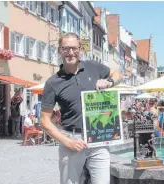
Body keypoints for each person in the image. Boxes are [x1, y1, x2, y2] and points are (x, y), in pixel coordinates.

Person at [40, 33, 122, 184]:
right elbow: (44, 121)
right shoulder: (53, 83)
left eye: (74, 48)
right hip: (72, 139)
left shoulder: (93, 67)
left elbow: (117, 73)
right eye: (66, 48)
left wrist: (109, 82)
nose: (70, 52)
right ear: (59, 50)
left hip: (99, 137)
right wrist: (67, 142)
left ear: (80, 50)